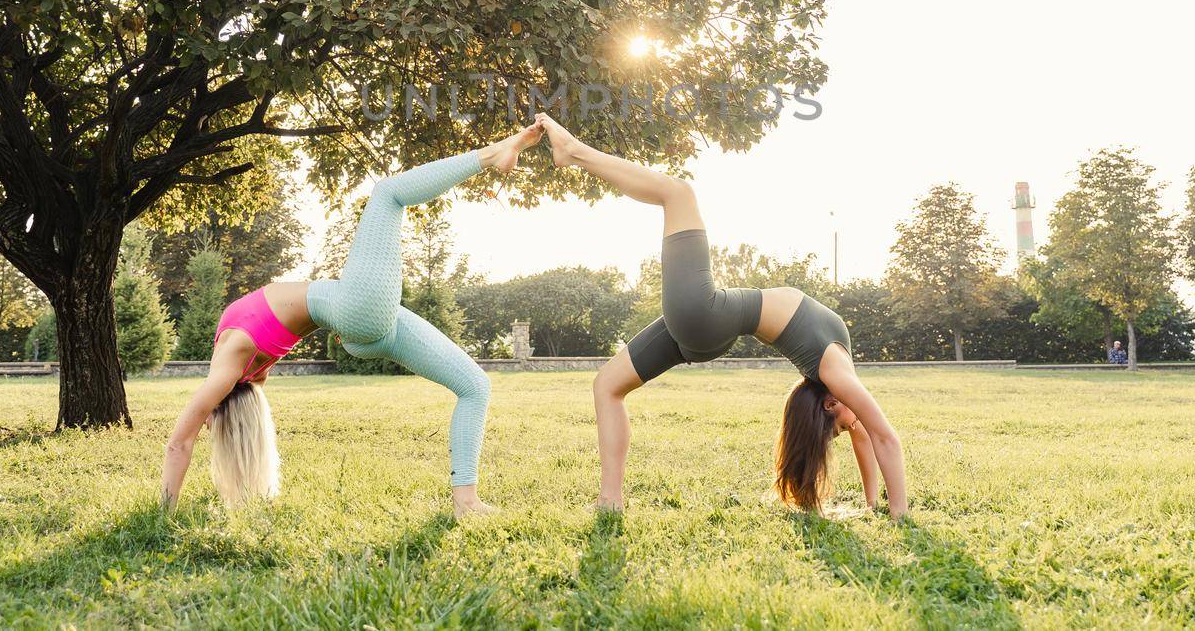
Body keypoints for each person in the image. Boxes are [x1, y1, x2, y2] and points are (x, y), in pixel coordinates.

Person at [532, 113, 909, 519]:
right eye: (840, 432)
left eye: (837, 429)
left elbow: (882, 438)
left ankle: (573, 151)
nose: (849, 430)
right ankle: (610, 501)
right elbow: (867, 436)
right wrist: (874, 506)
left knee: (679, 193)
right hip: (707, 324)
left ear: (832, 403)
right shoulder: (835, 378)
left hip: (707, 314)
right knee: (606, 385)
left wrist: (897, 514)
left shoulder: (836, 376)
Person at [159, 123, 543, 519]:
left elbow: (232, 394)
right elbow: (177, 444)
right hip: (354, 309)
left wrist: (213, 417)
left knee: (475, 385)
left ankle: (467, 502)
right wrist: (164, 513)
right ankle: (491, 154)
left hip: (360, 328)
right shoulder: (230, 359)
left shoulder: (245, 373)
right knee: (388, 193)